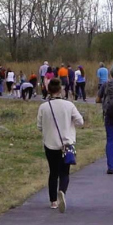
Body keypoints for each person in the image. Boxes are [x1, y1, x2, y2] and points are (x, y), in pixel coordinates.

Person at [34, 80, 85, 212]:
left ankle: (53, 201)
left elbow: (39, 126)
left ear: (49, 90)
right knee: (64, 172)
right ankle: (61, 191)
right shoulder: (69, 105)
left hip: (50, 144)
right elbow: (80, 121)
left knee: (53, 172)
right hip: (66, 144)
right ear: (61, 90)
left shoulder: (43, 107)